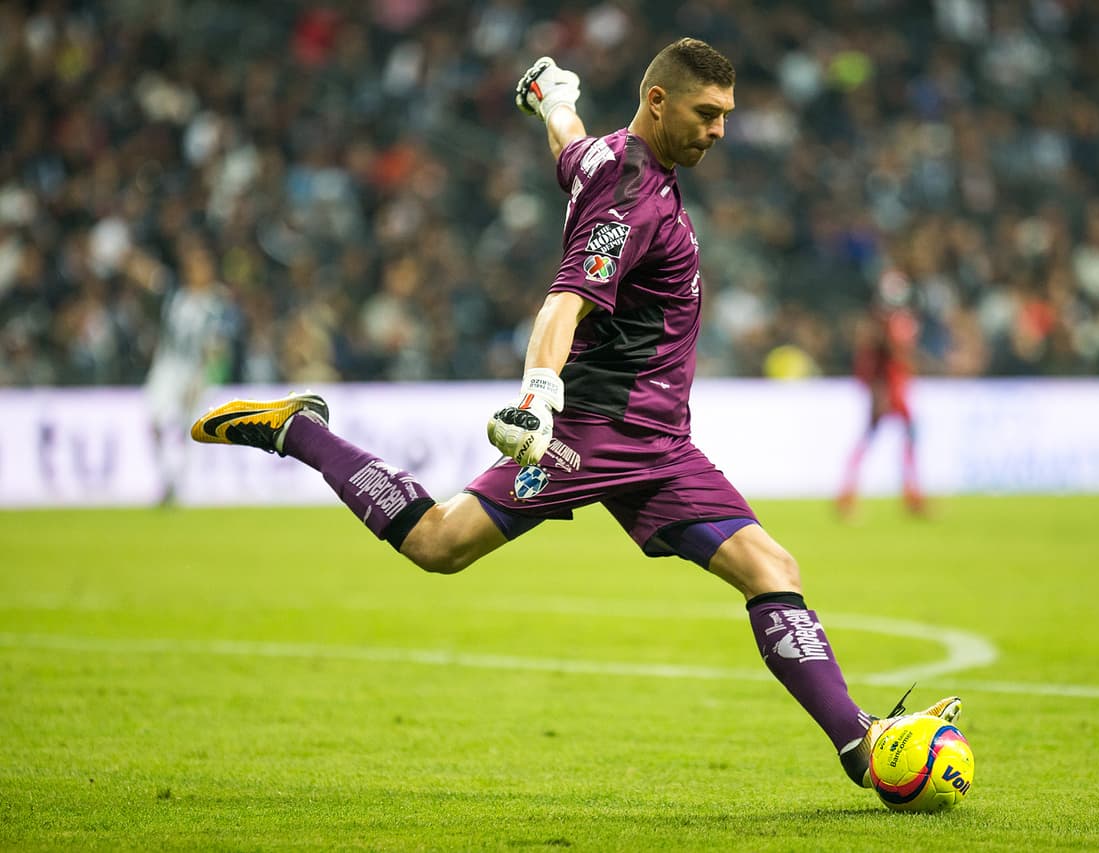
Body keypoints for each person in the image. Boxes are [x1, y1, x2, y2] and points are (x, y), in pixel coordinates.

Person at [190, 39, 959, 790]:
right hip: (598, 428)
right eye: (707, 112)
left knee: (772, 569)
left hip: (662, 442)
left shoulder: (611, 159)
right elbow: (567, 298)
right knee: (439, 543)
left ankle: (861, 748)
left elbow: (570, 147)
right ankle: (302, 429)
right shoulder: (629, 195)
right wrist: (538, 395)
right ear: (657, 101)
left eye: (726, 113)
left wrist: (556, 100)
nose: (720, 129)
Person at [141, 237, 235, 505]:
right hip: (167, 366)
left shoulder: (216, 305)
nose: (196, 270)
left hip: (194, 370)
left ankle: (178, 482)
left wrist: (204, 379)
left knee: (187, 426)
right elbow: (164, 334)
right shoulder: (176, 298)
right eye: (192, 265)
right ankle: (164, 475)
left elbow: (218, 347)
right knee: (154, 420)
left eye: (201, 265)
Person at [836, 266, 927, 518]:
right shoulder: (883, 327)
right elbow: (882, 360)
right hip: (889, 390)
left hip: (895, 388)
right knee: (884, 438)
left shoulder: (888, 324)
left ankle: (910, 496)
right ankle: (849, 494)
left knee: (897, 438)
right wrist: (878, 392)